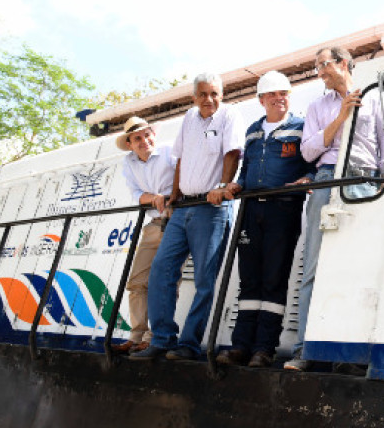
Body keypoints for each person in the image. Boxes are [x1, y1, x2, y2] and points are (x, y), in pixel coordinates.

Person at [284, 47, 384, 373]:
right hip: (327, 180)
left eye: (323, 65)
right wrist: (340, 117)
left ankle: (349, 356)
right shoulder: (317, 106)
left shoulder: (376, 98)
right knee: (313, 266)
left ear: (343, 63)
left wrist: (382, 188)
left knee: (359, 268)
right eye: (317, 68)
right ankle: (305, 350)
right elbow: (309, 151)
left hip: (365, 182)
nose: (320, 72)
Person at [131, 73, 242, 361]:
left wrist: (221, 185)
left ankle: (189, 345)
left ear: (222, 94)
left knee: (204, 280)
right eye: (203, 94)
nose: (209, 100)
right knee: (161, 271)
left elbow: (232, 153)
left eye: (215, 94)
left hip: (211, 208)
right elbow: (180, 159)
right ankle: (163, 339)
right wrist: (175, 195)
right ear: (194, 97)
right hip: (182, 209)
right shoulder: (189, 118)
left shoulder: (230, 115)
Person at [216, 71, 314, 368]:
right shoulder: (252, 131)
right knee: (249, 280)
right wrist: (236, 184)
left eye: (283, 93)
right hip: (250, 209)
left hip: (282, 209)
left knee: (274, 279)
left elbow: (312, 164)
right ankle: (241, 346)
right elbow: (245, 171)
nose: (278, 98)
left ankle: (264, 348)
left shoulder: (301, 127)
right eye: (272, 94)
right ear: (261, 100)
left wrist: (307, 179)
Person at [111, 116, 177, 355]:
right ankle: (136, 335)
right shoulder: (128, 163)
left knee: (164, 281)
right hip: (153, 223)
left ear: (153, 135)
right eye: (137, 138)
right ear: (129, 143)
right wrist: (155, 197)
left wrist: (168, 196)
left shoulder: (170, 152)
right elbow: (137, 194)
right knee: (137, 282)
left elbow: (183, 179)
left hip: (175, 221)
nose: (144, 140)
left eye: (147, 134)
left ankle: (152, 337)